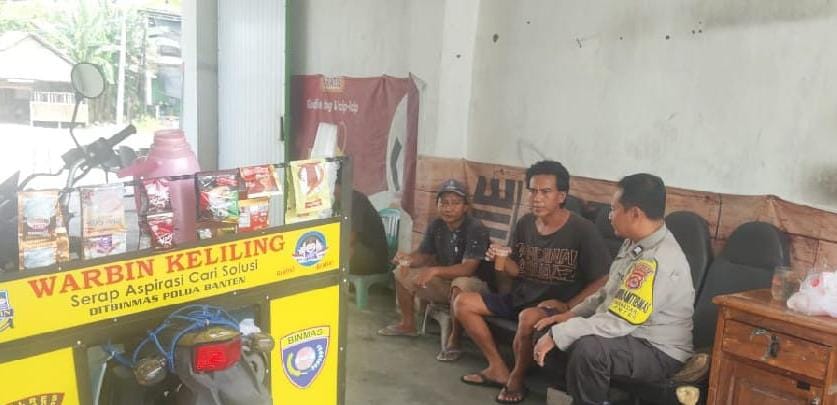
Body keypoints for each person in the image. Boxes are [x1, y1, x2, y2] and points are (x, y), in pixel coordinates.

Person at [455, 160, 611, 404]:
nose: (537, 198)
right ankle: (497, 367)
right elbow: (518, 269)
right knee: (462, 303)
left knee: (527, 317)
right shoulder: (525, 223)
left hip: (552, 306)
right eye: (533, 191)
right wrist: (500, 258)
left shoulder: (582, 229)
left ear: (561, 196)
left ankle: (516, 379)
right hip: (522, 296)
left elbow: (603, 278)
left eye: (545, 192)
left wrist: (569, 306)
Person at [533, 173, 694, 405]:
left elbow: (619, 321)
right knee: (548, 327)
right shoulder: (635, 242)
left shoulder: (656, 261)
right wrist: (570, 315)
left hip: (658, 350)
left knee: (588, 350)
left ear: (635, 213)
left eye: (614, 209)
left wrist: (561, 333)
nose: (610, 216)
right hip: (628, 336)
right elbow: (607, 292)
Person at [378, 179, 494, 361]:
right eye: (444, 203)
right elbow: (423, 255)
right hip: (445, 282)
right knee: (401, 272)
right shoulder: (437, 225)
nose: (448, 208)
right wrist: (407, 259)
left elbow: (468, 268)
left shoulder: (475, 228)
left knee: (461, 283)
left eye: (455, 203)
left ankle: (455, 340)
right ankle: (408, 324)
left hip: (476, 287)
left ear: (465, 207)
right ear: (438, 205)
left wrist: (434, 271)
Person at [334, 177, 389, 276]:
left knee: (344, 249)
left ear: (339, 186)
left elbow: (350, 238)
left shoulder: (356, 200)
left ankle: (336, 279)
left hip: (374, 258)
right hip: (359, 251)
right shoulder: (335, 202)